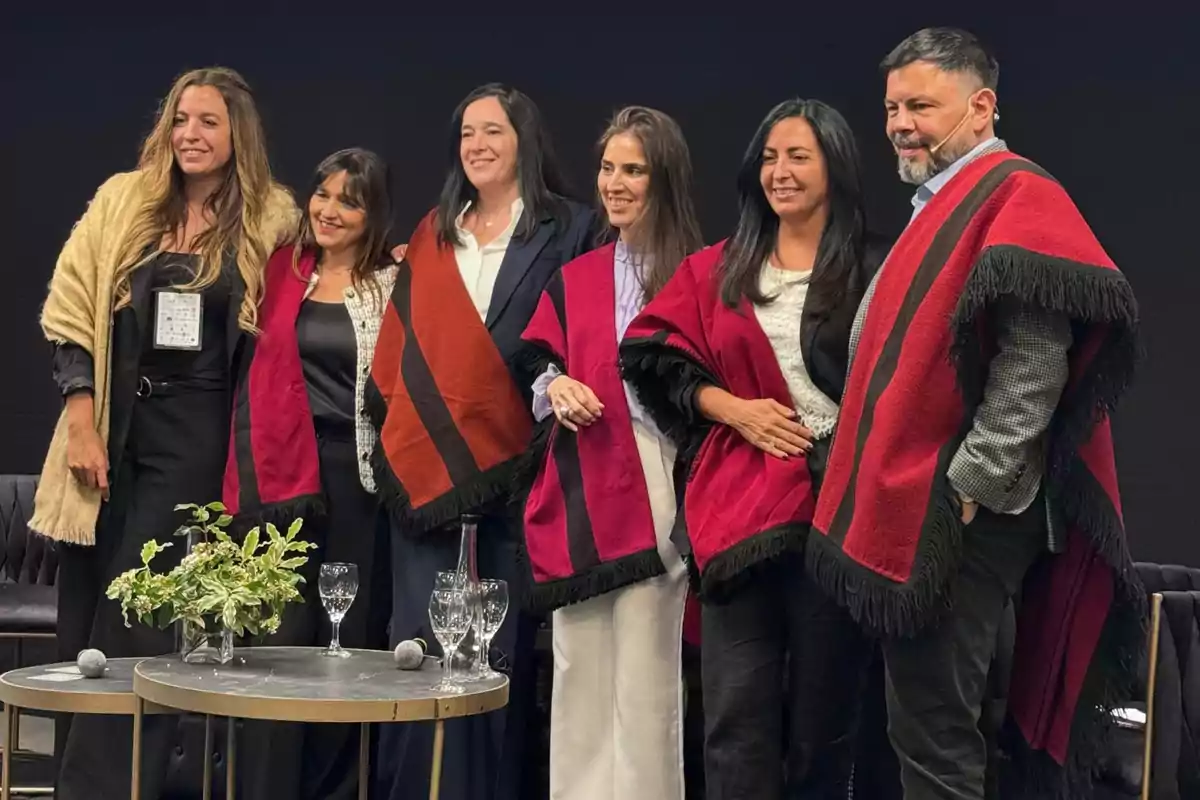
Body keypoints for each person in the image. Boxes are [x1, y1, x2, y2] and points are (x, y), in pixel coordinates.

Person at [803, 28, 1143, 800]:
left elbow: (1034, 364)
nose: (900, 123)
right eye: (892, 107)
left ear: (982, 105)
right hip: (926, 507)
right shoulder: (941, 203)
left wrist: (966, 488)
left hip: (956, 521)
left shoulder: (1019, 195)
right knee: (928, 726)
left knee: (935, 734)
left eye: (921, 105)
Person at [32, 66, 297, 799]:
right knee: (84, 623)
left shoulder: (272, 216)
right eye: (181, 119)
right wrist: (82, 421)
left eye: (208, 121)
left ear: (236, 133)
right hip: (114, 430)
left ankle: (106, 790)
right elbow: (70, 310)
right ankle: (76, 779)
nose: (191, 135)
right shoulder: (125, 200)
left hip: (200, 437)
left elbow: (312, 298)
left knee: (139, 618)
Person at [620, 98, 884, 800]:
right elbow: (650, 354)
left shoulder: (876, 270)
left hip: (838, 516)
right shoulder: (719, 269)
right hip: (740, 512)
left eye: (798, 156)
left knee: (824, 722)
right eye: (769, 157)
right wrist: (731, 409)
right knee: (735, 717)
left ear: (835, 165)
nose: (780, 171)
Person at [370, 82, 598, 800]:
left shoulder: (573, 228)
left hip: (519, 468)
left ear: (525, 140)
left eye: (493, 131)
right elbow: (397, 354)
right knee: (416, 647)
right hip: (424, 472)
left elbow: (580, 333)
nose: (478, 146)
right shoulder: (435, 232)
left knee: (493, 657)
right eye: (467, 134)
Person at [517, 105, 704, 800]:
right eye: (607, 167)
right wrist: (557, 384)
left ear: (665, 180)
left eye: (633, 169)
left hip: (658, 481)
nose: (615, 183)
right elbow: (539, 365)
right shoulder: (578, 276)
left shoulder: (697, 275)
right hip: (579, 481)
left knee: (646, 668)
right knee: (577, 664)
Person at [222, 148, 396, 800]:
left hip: (356, 485)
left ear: (372, 213)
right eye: (323, 195)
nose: (328, 210)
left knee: (345, 643)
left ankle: (335, 789)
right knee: (274, 641)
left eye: (348, 201)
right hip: (277, 482)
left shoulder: (391, 284)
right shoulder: (278, 273)